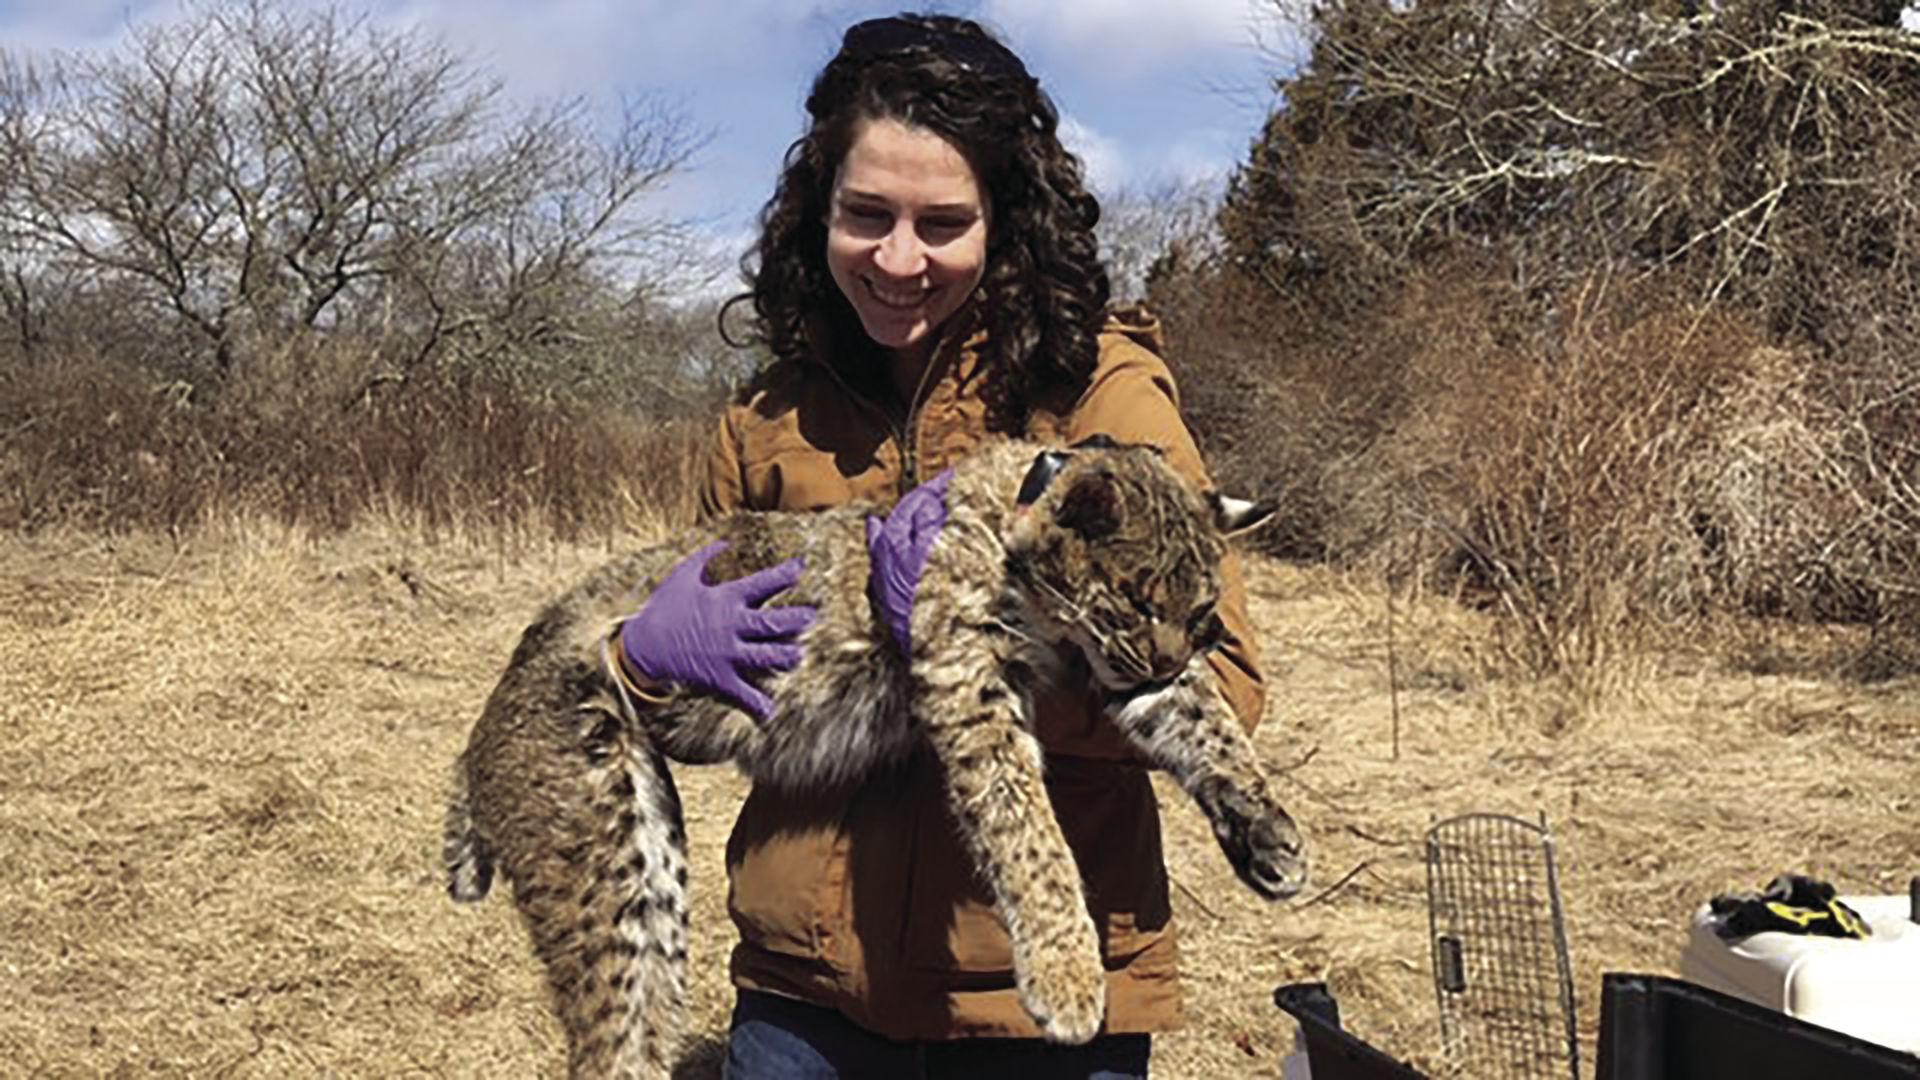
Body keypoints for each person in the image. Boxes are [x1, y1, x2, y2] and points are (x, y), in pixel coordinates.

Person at [615, 13, 1266, 1079]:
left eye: (943, 222)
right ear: (816, 213)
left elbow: (1222, 688)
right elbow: (720, 724)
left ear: (1003, 224)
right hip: (804, 991)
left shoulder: (1099, 393)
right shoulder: (767, 419)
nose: (899, 259)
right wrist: (650, 669)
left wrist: (974, 653)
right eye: (866, 214)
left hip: (1037, 1003)